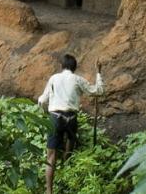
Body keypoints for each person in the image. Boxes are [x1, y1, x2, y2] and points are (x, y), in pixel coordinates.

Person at [37, 54, 103, 194]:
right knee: (71, 140)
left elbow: (42, 101)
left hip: (55, 117)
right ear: (75, 67)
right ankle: (67, 165)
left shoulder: (54, 78)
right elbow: (98, 91)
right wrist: (98, 72)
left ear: (62, 66)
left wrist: (45, 113)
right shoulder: (78, 79)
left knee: (51, 155)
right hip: (71, 117)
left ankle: (49, 190)